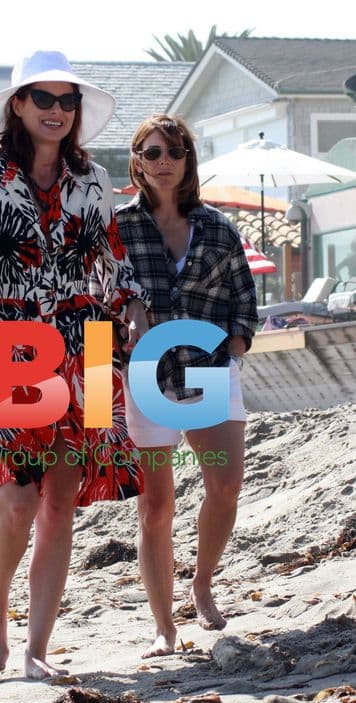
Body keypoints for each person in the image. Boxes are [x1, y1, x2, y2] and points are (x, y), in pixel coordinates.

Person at [0, 50, 149, 678]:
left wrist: (134, 308)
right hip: (12, 341)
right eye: (45, 100)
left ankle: (37, 650)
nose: (58, 111)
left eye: (68, 101)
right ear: (18, 106)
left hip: (88, 342)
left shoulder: (93, 180)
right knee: (15, 496)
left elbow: (109, 258)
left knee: (60, 499)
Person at [95, 115, 258, 657]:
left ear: (188, 159)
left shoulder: (217, 228)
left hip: (207, 368)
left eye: (176, 151)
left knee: (226, 485)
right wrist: (99, 393)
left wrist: (234, 348)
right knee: (156, 507)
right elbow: (96, 304)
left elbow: (243, 298)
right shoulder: (116, 228)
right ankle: (165, 627)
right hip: (140, 374)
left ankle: (203, 582)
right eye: (153, 151)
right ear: (136, 160)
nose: (165, 161)